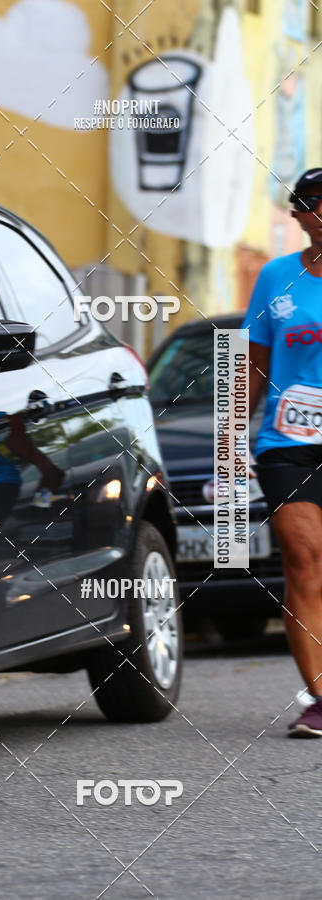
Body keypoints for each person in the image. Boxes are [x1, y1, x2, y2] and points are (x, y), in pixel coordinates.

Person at [244, 167, 322, 737]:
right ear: (298, 214)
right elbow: (250, 366)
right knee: (302, 560)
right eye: (315, 201)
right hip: (288, 441)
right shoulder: (275, 277)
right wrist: (228, 440)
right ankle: (320, 696)